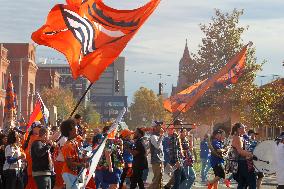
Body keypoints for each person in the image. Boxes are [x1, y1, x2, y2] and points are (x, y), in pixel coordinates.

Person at [60, 119, 88, 189]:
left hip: (75, 173)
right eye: (75, 127)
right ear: (70, 130)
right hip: (68, 173)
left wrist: (86, 158)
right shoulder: (67, 145)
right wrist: (82, 164)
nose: (77, 128)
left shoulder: (74, 143)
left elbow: (78, 157)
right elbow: (69, 163)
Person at [231, 123, 255, 189]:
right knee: (252, 181)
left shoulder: (240, 137)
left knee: (242, 184)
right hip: (242, 163)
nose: (245, 129)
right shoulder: (237, 138)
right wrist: (252, 154)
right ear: (239, 129)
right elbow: (240, 151)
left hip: (242, 162)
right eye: (244, 127)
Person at [164, 119, 186, 189]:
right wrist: (177, 161)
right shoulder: (174, 135)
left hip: (179, 159)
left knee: (183, 177)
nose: (181, 126)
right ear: (176, 125)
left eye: (181, 124)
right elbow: (174, 149)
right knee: (177, 180)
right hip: (176, 160)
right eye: (180, 124)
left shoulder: (177, 135)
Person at [23, 121, 42, 189]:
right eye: (39, 127)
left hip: (33, 168)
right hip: (34, 168)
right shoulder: (35, 138)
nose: (40, 129)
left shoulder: (32, 137)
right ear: (33, 128)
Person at [148, 121, 164, 189]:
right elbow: (157, 146)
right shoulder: (153, 136)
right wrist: (161, 135)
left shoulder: (157, 135)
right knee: (156, 179)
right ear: (155, 127)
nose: (161, 127)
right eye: (159, 125)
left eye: (160, 125)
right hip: (156, 160)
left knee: (160, 179)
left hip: (160, 159)